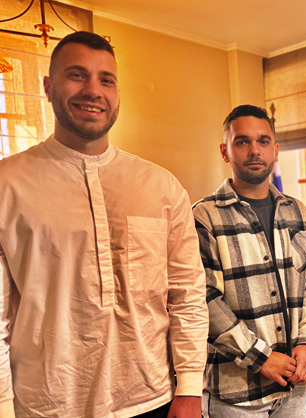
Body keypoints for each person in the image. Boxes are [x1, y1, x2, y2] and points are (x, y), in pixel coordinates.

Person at [0, 31, 208, 418]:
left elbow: (187, 294)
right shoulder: (7, 184)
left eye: (106, 79)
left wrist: (191, 387)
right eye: (76, 75)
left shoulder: (161, 186)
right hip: (47, 404)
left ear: (117, 93)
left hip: (153, 397)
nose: (93, 90)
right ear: (48, 87)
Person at [192, 105, 306, 418]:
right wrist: (260, 357)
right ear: (225, 151)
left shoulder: (298, 212)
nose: (255, 150)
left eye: (263, 141)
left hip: (294, 384)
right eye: (242, 142)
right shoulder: (204, 217)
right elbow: (204, 300)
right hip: (237, 393)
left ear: (275, 150)